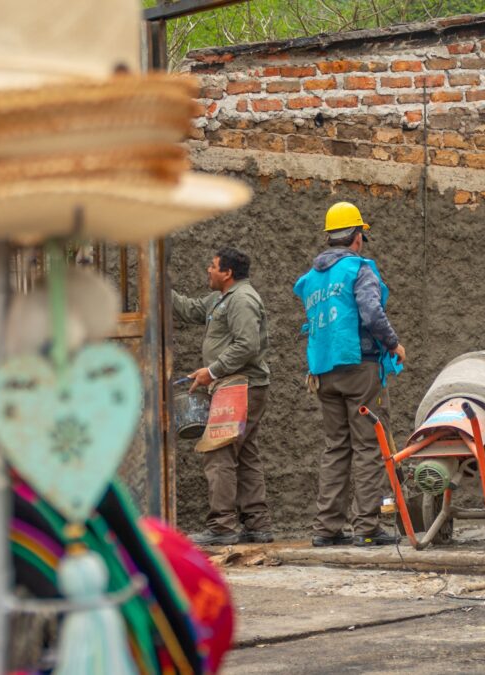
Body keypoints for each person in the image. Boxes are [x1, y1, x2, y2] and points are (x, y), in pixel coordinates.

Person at [294, 202, 406, 548]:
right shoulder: (359, 269)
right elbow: (371, 313)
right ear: (357, 237)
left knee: (336, 448)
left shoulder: (312, 279)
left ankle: (326, 528)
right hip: (360, 368)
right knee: (369, 446)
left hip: (324, 371)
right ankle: (366, 527)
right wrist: (394, 344)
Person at [172, 246, 273, 546]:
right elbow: (190, 310)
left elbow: (247, 345)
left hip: (239, 386)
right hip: (239, 386)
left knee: (219, 454)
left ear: (227, 273)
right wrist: (158, 287)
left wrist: (211, 372)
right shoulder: (221, 299)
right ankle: (257, 523)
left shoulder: (241, 300)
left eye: (213, 266)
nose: (208, 270)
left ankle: (222, 526)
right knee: (246, 454)